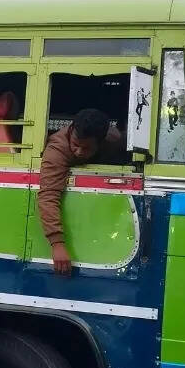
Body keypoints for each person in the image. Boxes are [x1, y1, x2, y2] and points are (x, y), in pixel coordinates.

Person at [38, 108, 124, 275]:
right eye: (75, 145)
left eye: (86, 148)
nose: (78, 152)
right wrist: (57, 244)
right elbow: (48, 196)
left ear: (101, 142)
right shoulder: (57, 150)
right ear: (71, 131)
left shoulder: (113, 139)